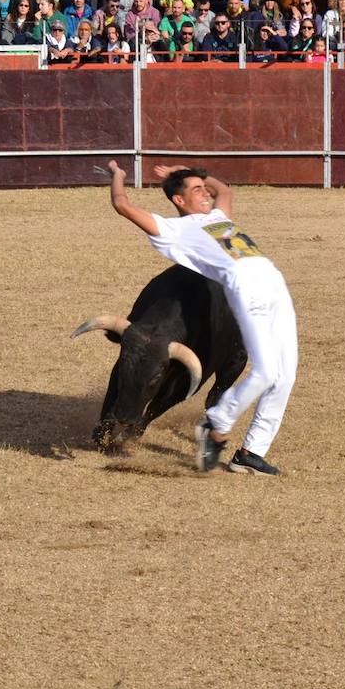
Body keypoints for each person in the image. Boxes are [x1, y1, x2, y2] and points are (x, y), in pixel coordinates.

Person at [101, 161, 297, 476]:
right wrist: (119, 176)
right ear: (179, 200)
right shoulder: (173, 229)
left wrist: (196, 174)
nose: (206, 193)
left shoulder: (217, 217)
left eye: (204, 189)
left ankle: (250, 453)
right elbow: (121, 204)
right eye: (196, 191)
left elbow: (225, 190)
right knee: (265, 370)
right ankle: (215, 425)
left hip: (275, 285)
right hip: (247, 290)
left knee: (284, 376)